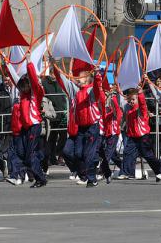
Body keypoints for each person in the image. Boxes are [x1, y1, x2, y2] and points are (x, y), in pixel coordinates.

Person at [54, 65, 104, 188]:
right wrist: (55, 67)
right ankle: (86, 172)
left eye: (81, 77)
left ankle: (92, 179)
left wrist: (98, 75)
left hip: (92, 126)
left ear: (87, 79)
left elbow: (98, 89)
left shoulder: (91, 91)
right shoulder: (76, 91)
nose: (78, 78)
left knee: (88, 154)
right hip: (81, 128)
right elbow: (62, 80)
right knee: (77, 153)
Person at [11, 54, 48, 188]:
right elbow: (13, 78)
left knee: (30, 156)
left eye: (24, 86)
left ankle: (41, 178)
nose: (21, 89)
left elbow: (33, 78)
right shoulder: (23, 96)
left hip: (34, 126)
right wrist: (6, 63)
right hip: (26, 128)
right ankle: (40, 176)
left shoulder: (36, 93)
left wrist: (29, 62)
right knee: (26, 155)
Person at [121, 84, 161, 182]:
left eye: (134, 99)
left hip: (143, 136)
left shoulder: (141, 110)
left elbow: (143, 104)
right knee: (127, 152)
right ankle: (128, 173)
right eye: (130, 100)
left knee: (148, 155)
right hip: (133, 136)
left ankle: (159, 171)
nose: (132, 101)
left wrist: (140, 94)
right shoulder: (129, 111)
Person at [42, 71, 68, 166]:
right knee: (51, 138)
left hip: (62, 114)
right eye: (53, 73)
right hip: (51, 114)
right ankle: (51, 158)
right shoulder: (45, 83)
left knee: (63, 137)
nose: (55, 75)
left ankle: (60, 155)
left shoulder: (60, 82)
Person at [99, 84, 123, 184]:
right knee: (113, 155)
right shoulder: (105, 109)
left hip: (114, 133)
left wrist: (113, 97)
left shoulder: (115, 109)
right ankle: (125, 168)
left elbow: (118, 111)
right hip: (107, 133)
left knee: (107, 153)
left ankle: (101, 171)